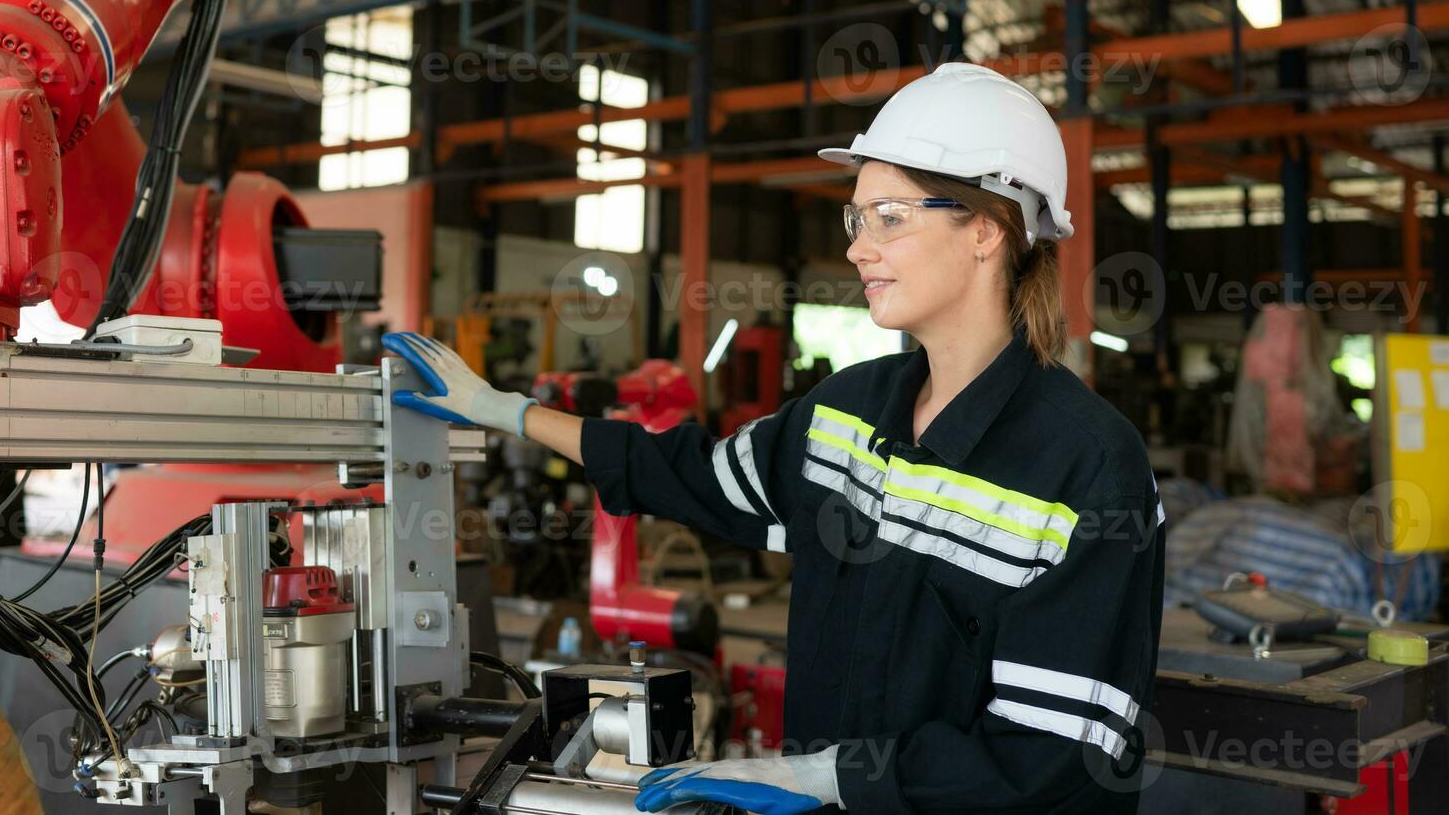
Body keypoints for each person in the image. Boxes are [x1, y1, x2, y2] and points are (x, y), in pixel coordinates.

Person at [384, 62, 1164, 814]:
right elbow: (683, 472)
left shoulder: (1088, 468)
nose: (859, 246)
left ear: (989, 229)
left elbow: (1053, 757)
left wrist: (827, 779)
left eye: (889, 218)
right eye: (857, 218)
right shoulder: (846, 416)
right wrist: (508, 411)